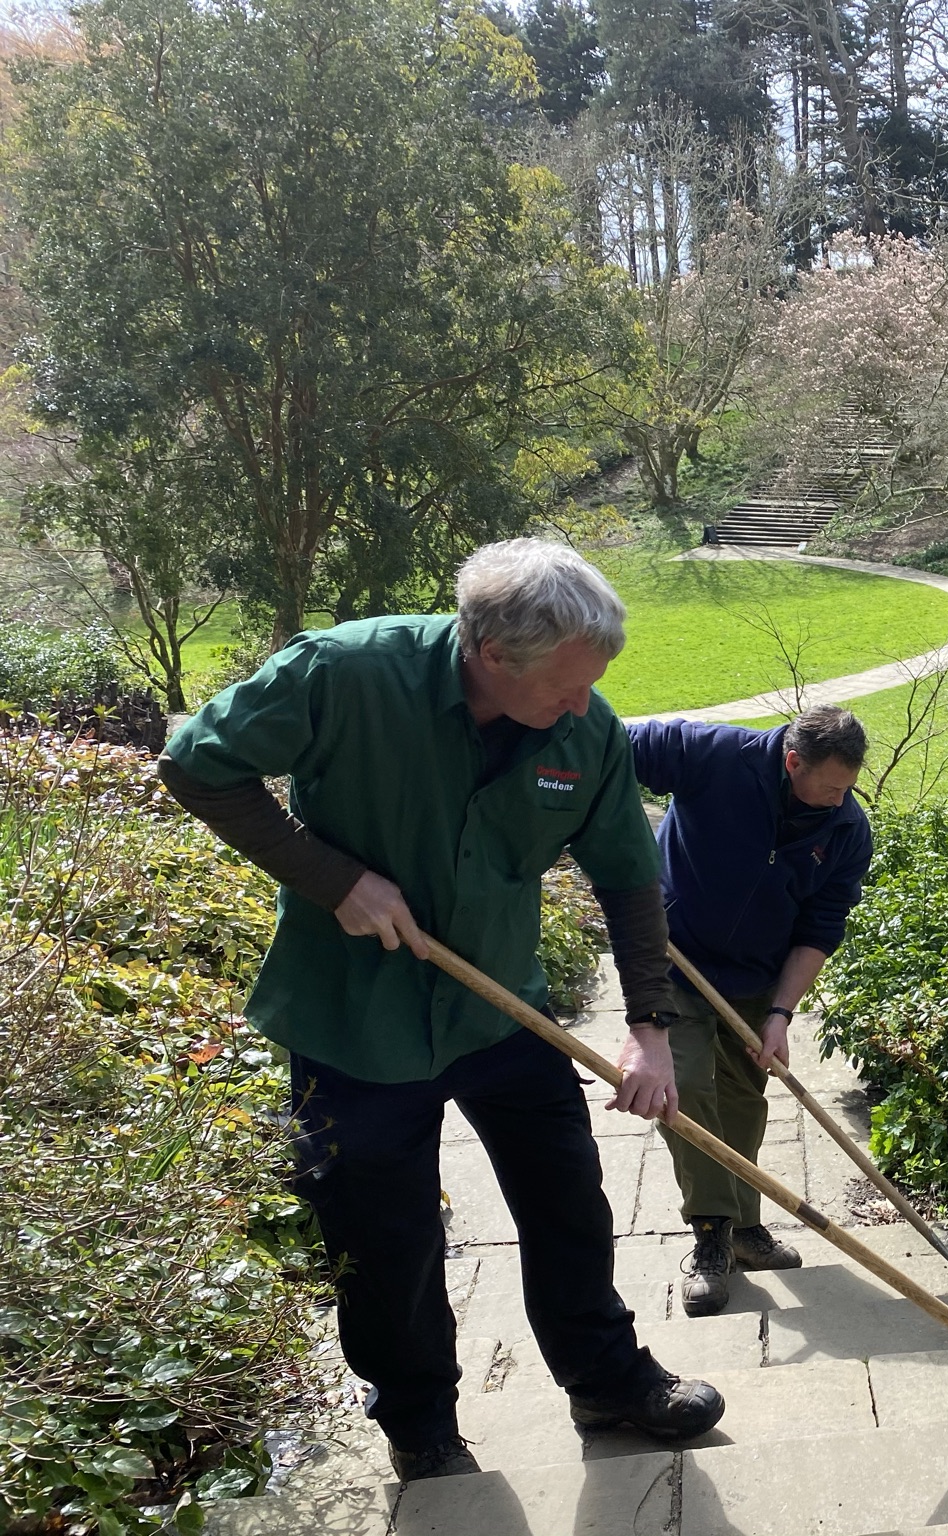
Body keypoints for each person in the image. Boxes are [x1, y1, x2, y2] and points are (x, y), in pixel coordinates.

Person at [157, 539, 723, 1483]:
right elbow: (195, 765)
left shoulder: (586, 733)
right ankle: (422, 1428)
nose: (581, 709)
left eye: (591, 688)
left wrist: (648, 1029)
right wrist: (335, 880)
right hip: (353, 1029)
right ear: (491, 655)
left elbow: (630, 880)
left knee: (569, 1203)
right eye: (565, 688)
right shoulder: (342, 673)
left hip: (503, 1017)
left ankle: (606, 1377)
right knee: (387, 1242)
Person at [628, 705, 873, 1316]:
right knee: (681, 1087)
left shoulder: (845, 830)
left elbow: (821, 927)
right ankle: (710, 1232)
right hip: (674, 955)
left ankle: (744, 1229)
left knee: (742, 1096)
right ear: (793, 762)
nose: (842, 800)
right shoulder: (713, 756)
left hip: (757, 976)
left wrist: (782, 1013)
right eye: (832, 787)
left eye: (849, 787)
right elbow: (607, 744)